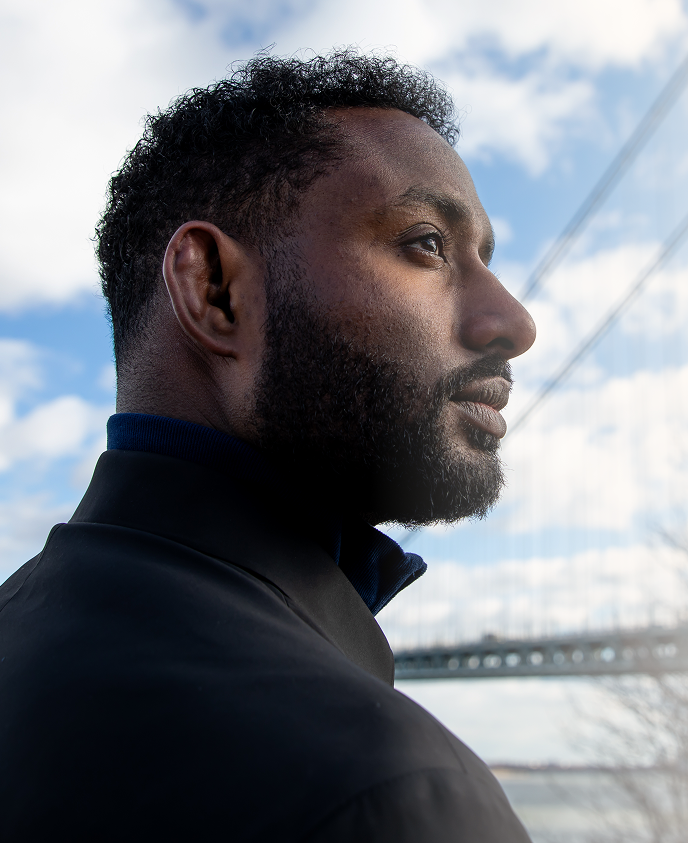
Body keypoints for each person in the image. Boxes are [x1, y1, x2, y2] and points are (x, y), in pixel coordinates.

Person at [0, 51, 536, 841]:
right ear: (214, 289)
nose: (515, 324)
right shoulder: (389, 791)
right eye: (427, 244)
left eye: (487, 259)